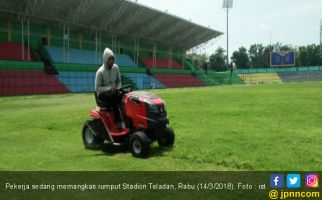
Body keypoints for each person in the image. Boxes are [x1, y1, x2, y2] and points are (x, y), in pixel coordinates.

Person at [95, 47, 122, 128]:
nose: (112, 61)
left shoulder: (116, 68)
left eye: (112, 59)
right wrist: (110, 88)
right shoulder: (100, 72)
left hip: (114, 91)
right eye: (110, 59)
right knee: (114, 97)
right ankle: (118, 122)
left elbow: (119, 81)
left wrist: (119, 88)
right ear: (105, 60)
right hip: (102, 95)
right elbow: (97, 88)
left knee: (126, 95)